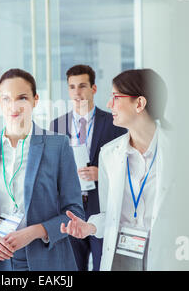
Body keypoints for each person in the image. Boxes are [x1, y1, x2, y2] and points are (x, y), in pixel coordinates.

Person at [0, 68, 84, 271]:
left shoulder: (58, 146)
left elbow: (74, 212)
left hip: (45, 261)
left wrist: (34, 232)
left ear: (35, 100)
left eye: (22, 98)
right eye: (7, 99)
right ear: (0, 102)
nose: (14, 106)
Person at [60, 69, 173, 271]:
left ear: (139, 103)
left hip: (166, 257)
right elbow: (109, 214)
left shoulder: (179, 151)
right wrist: (90, 227)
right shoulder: (109, 154)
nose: (109, 104)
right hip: (122, 260)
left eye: (116, 97)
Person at [49, 65, 125, 271]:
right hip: (70, 207)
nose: (77, 92)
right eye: (72, 87)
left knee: (104, 263)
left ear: (94, 88)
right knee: (73, 266)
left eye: (82, 86)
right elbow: (50, 168)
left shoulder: (114, 122)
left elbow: (124, 164)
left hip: (101, 206)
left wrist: (103, 173)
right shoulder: (56, 125)